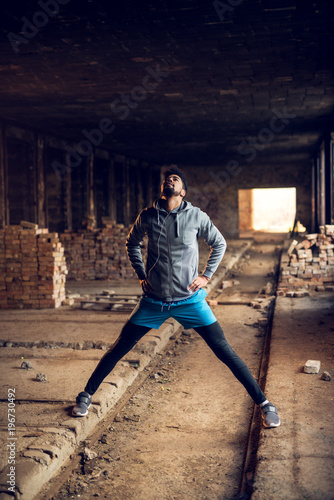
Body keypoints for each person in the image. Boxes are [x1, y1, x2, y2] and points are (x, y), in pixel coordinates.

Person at [72, 166, 280, 428]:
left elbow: (220, 243)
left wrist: (206, 276)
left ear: (183, 191)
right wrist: (140, 273)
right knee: (119, 349)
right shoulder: (148, 216)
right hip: (153, 301)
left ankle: (265, 404)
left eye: (175, 179)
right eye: (166, 178)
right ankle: (85, 396)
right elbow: (131, 243)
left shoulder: (196, 216)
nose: (169, 180)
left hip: (190, 301)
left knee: (224, 351)